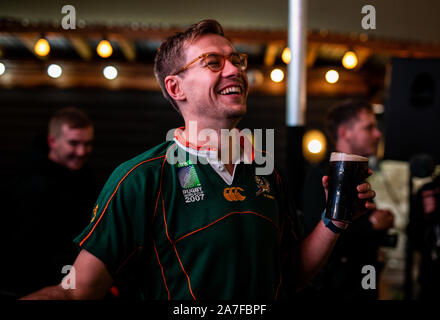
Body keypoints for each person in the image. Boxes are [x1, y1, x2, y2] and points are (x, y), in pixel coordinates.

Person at [21, 20, 376, 300]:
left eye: (237, 60)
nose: (235, 69)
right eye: (213, 62)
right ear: (176, 88)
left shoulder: (269, 172)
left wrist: (334, 219)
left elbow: (290, 274)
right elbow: (79, 292)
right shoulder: (139, 179)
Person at [300, 99, 394, 300]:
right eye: (369, 127)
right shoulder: (322, 176)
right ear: (344, 132)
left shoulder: (359, 175)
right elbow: (314, 235)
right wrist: (371, 225)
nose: (378, 134)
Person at [1, 107, 97, 298]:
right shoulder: (26, 183)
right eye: (74, 143)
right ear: (52, 141)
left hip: (71, 284)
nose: (81, 151)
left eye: (87, 144)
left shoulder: (86, 178)